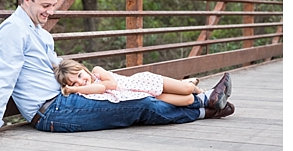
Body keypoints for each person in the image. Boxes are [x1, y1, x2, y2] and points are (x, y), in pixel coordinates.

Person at [0, 0, 231, 147]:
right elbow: (4, 77)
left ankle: (205, 101)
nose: (50, 12)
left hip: (63, 100)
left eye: (54, 5)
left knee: (132, 90)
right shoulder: (12, 31)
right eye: (45, 6)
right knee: (138, 103)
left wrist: (90, 77)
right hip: (50, 111)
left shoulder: (37, 31)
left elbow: (56, 65)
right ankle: (203, 107)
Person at [55, 58, 205, 107]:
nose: (81, 82)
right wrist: (75, 90)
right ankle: (199, 97)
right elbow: (99, 90)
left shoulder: (97, 71)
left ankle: (200, 90)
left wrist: (73, 89)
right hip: (144, 95)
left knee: (187, 89)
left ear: (83, 68)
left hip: (144, 82)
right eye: (74, 83)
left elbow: (110, 85)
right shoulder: (86, 91)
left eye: (80, 75)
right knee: (188, 99)